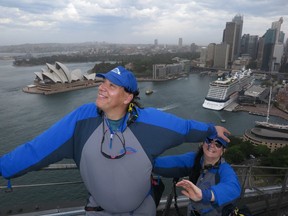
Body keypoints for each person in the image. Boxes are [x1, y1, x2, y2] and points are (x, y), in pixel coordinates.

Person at [0, 66, 230, 216]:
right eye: (103, 83)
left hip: (142, 210)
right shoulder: (81, 120)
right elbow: (36, 150)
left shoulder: (151, 123)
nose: (102, 88)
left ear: (128, 96)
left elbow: (186, 128)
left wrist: (212, 130)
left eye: (112, 86)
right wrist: (4, 168)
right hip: (99, 210)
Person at [153, 135, 241, 216]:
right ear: (203, 143)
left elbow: (233, 187)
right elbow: (171, 163)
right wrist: (148, 163)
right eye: (209, 140)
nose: (212, 145)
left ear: (223, 151)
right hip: (192, 211)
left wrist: (205, 195)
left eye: (218, 144)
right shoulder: (195, 159)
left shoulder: (224, 169)